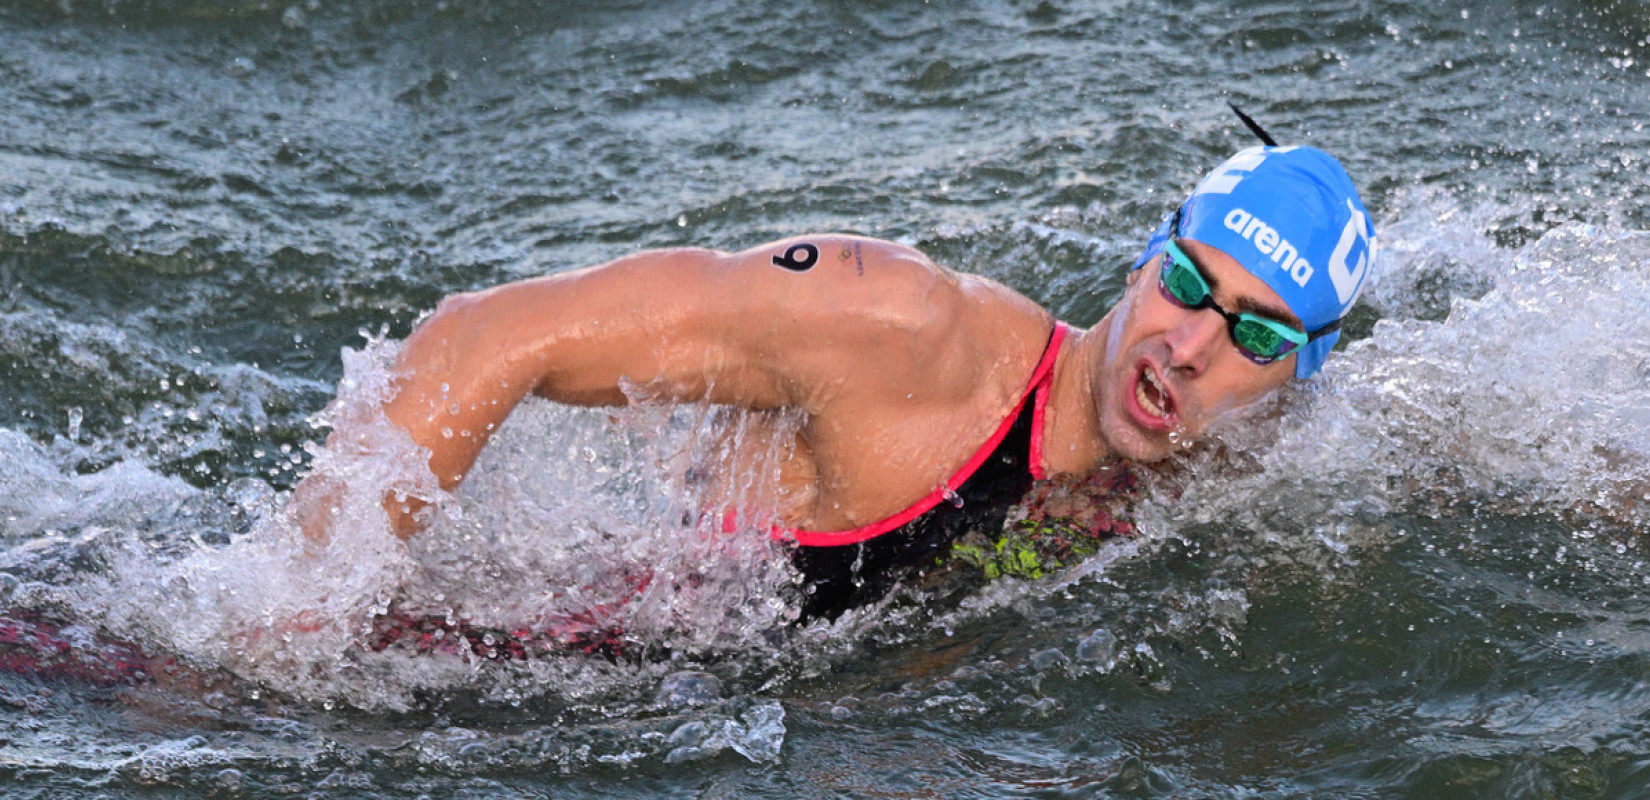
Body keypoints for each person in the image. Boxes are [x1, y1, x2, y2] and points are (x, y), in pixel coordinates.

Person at [297, 139, 1377, 623]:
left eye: (1259, 339)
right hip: (499, 674)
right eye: (1187, 283)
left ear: (1301, 375)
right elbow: (479, 333)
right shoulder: (903, 329)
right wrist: (295, 613)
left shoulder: (1252, 467)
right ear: (1149, 252)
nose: (1188, 345)